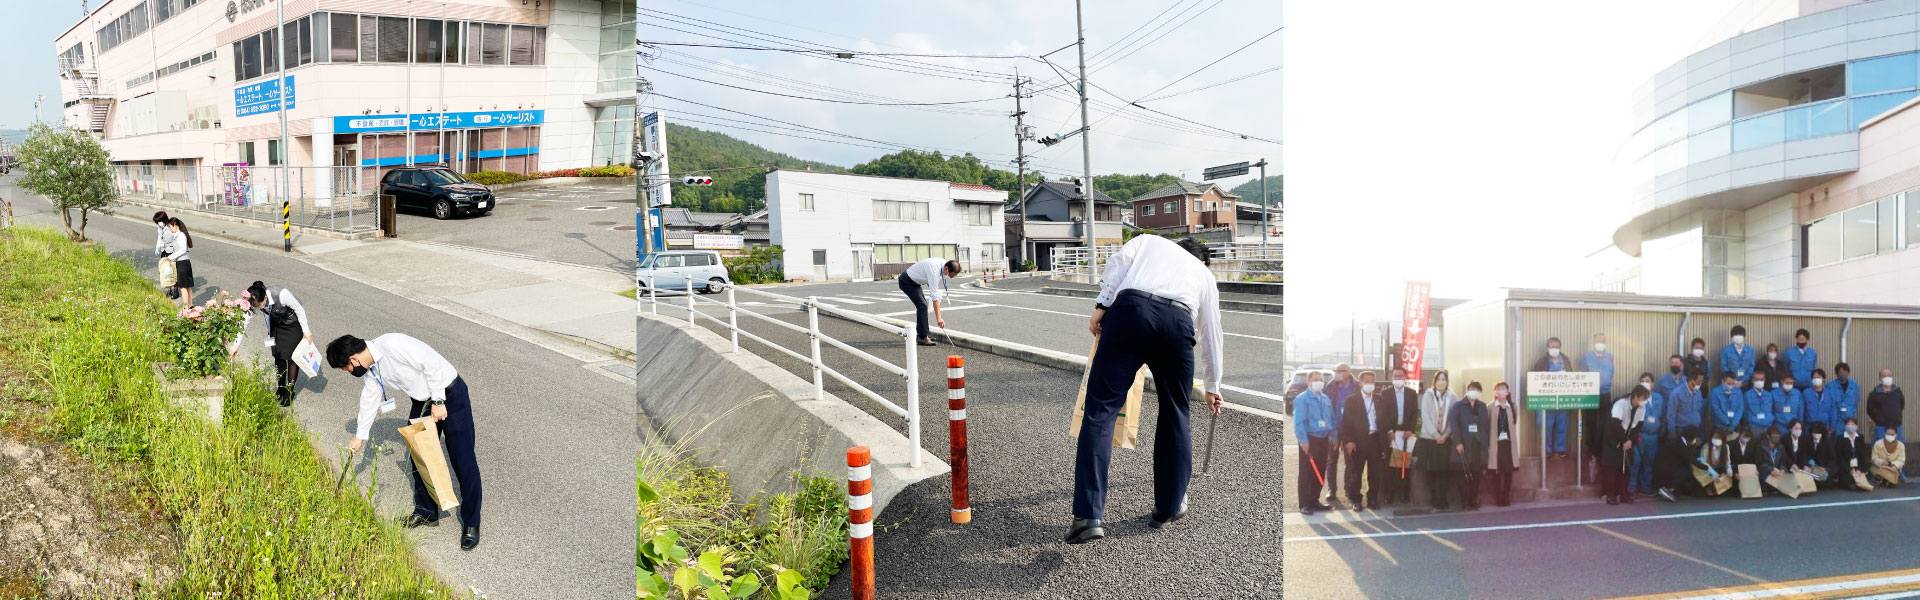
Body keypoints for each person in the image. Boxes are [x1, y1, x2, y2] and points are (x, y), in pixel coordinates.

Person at [1070, 236, 1224, 543]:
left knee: (1100, 410)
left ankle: (1088, 516)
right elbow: (1212, 331)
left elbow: (1117, 265)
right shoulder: (1204, 275)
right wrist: (1212, 385)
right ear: (1202, 259)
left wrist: (1101, 305)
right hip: (1177, 323)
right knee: (1176, 414)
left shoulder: (1149, 242)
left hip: (1129, 312)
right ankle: (1167, 507)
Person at [326, 333, 484, 550]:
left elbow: (431, 363)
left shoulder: (393, 344)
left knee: (463, 460)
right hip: (423, 401)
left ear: (353, 359)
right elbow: (369, 399)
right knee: (420, 457)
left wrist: (439, 400)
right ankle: (426, 512)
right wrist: (360, 436)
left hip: (449, 393)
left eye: (347, 369)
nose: (349, 373)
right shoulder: (371, 370)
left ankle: (471, 522)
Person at [232, 281, 313, 407]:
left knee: (293, 358)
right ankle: (280, 388)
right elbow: (244, 322)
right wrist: (236, 344)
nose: (258, 308)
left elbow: (299, 309)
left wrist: (306, 331)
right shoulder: (252, 301)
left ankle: (289, 392)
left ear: (265, 297)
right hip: (276, 324)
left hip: (292, 324)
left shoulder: (281, 294)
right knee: (278, 357)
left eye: (259, 305)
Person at [1341, 371, 1387, 510]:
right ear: (1360, 383)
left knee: (1375, 473)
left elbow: (1385, 420)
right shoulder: (1352, 400)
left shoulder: (1379, 398)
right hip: (1358, 441)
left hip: (1375, 440)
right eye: (1367, 381)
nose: (1370, 384)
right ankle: (1356, 500)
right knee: (1356, 471)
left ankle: (1372, 499)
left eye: (1372, 381)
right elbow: (1346, 423)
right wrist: (1348, 441)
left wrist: (1387, 435)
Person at [1293, 372, 1335, 516]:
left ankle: (1314, 500)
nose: (1319, 382)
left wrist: (1333, 436)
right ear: (1308, 381)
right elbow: (1298, 422)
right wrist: (1303, 440)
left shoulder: (1325, 398)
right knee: (1306, 472)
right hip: (1309, 439)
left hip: (1323, 439)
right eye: (1315, 379)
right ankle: (1305, 504)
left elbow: (1331, 418)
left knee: (1320, 470)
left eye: (1321, 380)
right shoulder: (1302, 399)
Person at [1416, 370, 1459, 510]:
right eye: (1439, 379)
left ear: (1447, 381)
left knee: (1444, 471)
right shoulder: (1428, 395)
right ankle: (1434, 499)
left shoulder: (1453, 396)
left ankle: (1443, 499)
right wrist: (1436, 435)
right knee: (1431, 471)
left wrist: (1445, 435)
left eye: (1444, 379)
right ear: (1434, 381)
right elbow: (1425, 416)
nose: (1441, 382)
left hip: (1445, 440)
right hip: (1429, 439)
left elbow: (1453, 418)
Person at [1605, 385, 1654, 504]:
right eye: (1642, 398)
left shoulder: (1642, 409)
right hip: (1613, 439)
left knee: (1626, 468)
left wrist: (1630, 441)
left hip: (1628, 439)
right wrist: (1624, 440)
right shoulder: (1621, 404)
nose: (1644, 401)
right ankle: (1611, 495)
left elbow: (1638, 427)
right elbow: (1615, 424)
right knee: (1613, 468)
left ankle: (1623, 494)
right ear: (1635, 396)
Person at [1447, 382, 1491, 510]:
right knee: (1462, 474)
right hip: (1464, 445)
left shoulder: (1482, 406)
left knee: (1476, 474)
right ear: (1467, 390)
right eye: (1471, 389)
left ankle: (1473, 499)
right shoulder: (1458, 406)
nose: (1474, 391)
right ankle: (1464, 501)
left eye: (1477, 389)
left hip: (1478, 445)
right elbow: (1454, 425)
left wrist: (1486, 443)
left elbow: (1486, 427)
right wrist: (1458, 442)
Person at [1382, 367, 1422, 505]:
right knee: (1391, 466)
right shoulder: (1385, 393)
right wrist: (1389, 431)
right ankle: (1390, 494)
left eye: (1400, 376)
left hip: (1406, 433)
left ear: (1405, 377)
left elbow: (1414, 414)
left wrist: (1411, 429)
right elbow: (1384, 414)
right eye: (1395, 376)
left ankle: (1405, 494)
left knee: (1405, 464)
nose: (1398, 378)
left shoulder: (1411, 393)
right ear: (1392, 378)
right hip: (1392, 433)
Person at [900, 257, 960, 346]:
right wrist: (939, 318)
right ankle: (922, 337)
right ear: (946, 268)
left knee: (923, 306)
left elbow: (935, 291)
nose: (949, 276)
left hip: (915, 282)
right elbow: (934, 297)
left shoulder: (943, 264)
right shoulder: (934, 270)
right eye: (951, 274)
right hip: (906, 281)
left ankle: (922, 335)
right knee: (922, 306)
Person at [1533, 338, 1576, 458]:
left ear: (1560, 347)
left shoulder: (1565, 360)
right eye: (1552, 347)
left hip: (1562, 399)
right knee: (1546, 426)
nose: (1554, 349)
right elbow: (1534, 380)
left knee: (1562, 425)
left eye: (1556, 347)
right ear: (1547, 348)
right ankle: (1546, 450)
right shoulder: (1541, 362)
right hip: (1546, 399)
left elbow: (1573, 377)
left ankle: (1560, 449)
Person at [1322, 363, 1357, 504]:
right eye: (1335, 371)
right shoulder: (1330, 386)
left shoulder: (1357, 386)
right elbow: (1325, 407)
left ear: (1348, 372)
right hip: (1333, 428)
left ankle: (1348, 489)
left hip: (1351, 429)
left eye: (1340, 371)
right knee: (1331, 460)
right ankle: (1331, 489)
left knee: (1350, 461)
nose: (1337, 373)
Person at [1582, 333, 1616, 479]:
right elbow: (1583, 375)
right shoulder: (1586, 357)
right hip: (1590, 393)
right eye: (1597, 341)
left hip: (1605, 393)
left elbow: (1611, 374)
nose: (1600, 343)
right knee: (1590, 423)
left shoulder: (1610, 357)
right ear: (1593, 342)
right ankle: (1590, 453)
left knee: (1604, 424)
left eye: (1602, 341)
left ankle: (1600, 452)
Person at [1485, 382, 1520, 507]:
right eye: (1498, 389)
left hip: (1509, 444)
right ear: (1495, 393)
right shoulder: (1489, 407)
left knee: (1508, 471)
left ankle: (1506, 496)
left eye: (1503, 389)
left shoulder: (1513, 407)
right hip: (1496, 444)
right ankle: (1498, 498)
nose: (1500, 392)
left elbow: (1514, 423)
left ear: (1508, 392)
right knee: (1497, 472)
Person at [1630, 373, 1665, 497]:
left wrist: (1661, 431)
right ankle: (1632, 489)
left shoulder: (1659, 398)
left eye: (1648, 381)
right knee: (1636, 462)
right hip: (1641, 435)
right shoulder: (1636, 398)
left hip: (1654, 436)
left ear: (1653, 384)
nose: (1645, 383)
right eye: (1643, 381)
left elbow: (1663, 416)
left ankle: (1646, 488)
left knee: (1649, 463)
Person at [1655, 425, 1706, 501]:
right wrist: (1706, 468)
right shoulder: (1680, 445)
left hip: (1667, 465)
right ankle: (1668, 489)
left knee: (1684, 468)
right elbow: (1691, 459)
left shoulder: (1680, 441)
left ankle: (1671, 489)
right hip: (1666, 468)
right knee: (1686, 471)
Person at [1831, 418, 1873, 491]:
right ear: (1845, 426)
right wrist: (1849, 470)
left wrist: (1860, 469)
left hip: (1857, 466)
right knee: (1849, 481)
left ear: (1857, 427)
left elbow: (1863, 455)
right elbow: (1839, 457)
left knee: (1861, 481)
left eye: (1853, 424)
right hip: (1845, 467)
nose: (1850, 426)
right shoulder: (1840, 438)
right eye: (1848, 424)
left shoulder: (1860, 437)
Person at [161, 217, 195, 306]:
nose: (170, 229)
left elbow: (183, 249)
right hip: (184, 262)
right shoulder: (178, 236)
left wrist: (170, 257)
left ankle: (185, 308)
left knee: (183, 287)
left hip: (182, 263)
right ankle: (190, 306)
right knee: (187, 286)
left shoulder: (180, 236)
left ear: (175, 225)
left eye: (170, 227)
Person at [1665, 370, 1706, 443]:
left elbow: (1699, 411)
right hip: (1681, 430)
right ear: (1691, 380)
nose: (1700, 384)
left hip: (1695, 430)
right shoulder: (1676, 393)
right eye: (1698, 382)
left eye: (1701, 382)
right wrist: (1672, 432)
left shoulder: (1698, 393)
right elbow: (1670, 414)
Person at [1867, 369, 1905, 445]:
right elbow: (1869, 410)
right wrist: (1879, 419)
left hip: (1897, 426)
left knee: (1899, 449)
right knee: (1880, 450)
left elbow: (1902, 405)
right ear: (1880, 378)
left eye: (1889, 376)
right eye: (1884, 376)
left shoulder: (1898, 392)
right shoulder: (1874, 394)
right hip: (1881, 427)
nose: (1887, 378)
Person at [1696, 428, 1736, 498]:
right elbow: (1703, 462)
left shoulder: (1726, 447)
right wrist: (1713, 474)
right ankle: (1708, 487)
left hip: (1719, 467)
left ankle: (1718, 487)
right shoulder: (1706, 446)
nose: (1717, 439)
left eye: (1719, 438)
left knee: (1729, 473)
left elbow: (1727, 461)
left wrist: (1729, 472)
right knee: (1702, 471)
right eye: (1715, 437)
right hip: (1708, 469)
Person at [1709, 372, 1745, 440]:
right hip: (1720, 426)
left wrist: (1733, 424)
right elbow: (1716, 410)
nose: (1731, 385)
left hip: (1734, 427)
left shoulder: (1738, 391)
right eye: (1729, 383)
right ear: (1723, 381)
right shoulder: (1715, 392)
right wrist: (1727, 422)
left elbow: (1740, 408)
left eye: (1733, 383)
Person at [152, 211, 178, 299]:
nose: (158, 223)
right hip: (164, 251)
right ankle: (169, 290)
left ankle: (175, 291)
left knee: (173, 270)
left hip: (172, 251)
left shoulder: (170, 227)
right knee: (166, 271)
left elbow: (175, 239)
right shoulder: (160, 228)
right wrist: (157, 248)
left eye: (159, 221)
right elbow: (159, 239)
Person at [1827, 363, 1862, 429]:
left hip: (1850, 419)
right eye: (1841, 372)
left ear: (1848, 373)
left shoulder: (1854, 385)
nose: (1843, 374)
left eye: (1845, 372)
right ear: (1836, 373)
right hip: (1836, 419)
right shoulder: (1830, 386)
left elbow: (1856, 401)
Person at [1744, 370, 1778, 437]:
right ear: (1753, 380)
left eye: (1761, 379)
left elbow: (1772, 409)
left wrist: (1770, 419)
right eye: (1757, 379)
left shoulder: (1769, 395)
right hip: (1754, 427)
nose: (1759, 381)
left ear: (1764, 380)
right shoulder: (1747, 395)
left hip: (1768, 425)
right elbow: (1745, 413)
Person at [1805, 368, 1836, 434]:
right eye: (1814, 378)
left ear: (1823, 379)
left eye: (1818, 377)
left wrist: (1832, 426)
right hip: (1809, 426)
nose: (1816, 379)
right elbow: (1802, 410)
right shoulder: (1806, 393)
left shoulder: (1829, 393)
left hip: (1825, 426)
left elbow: (1833, 410)